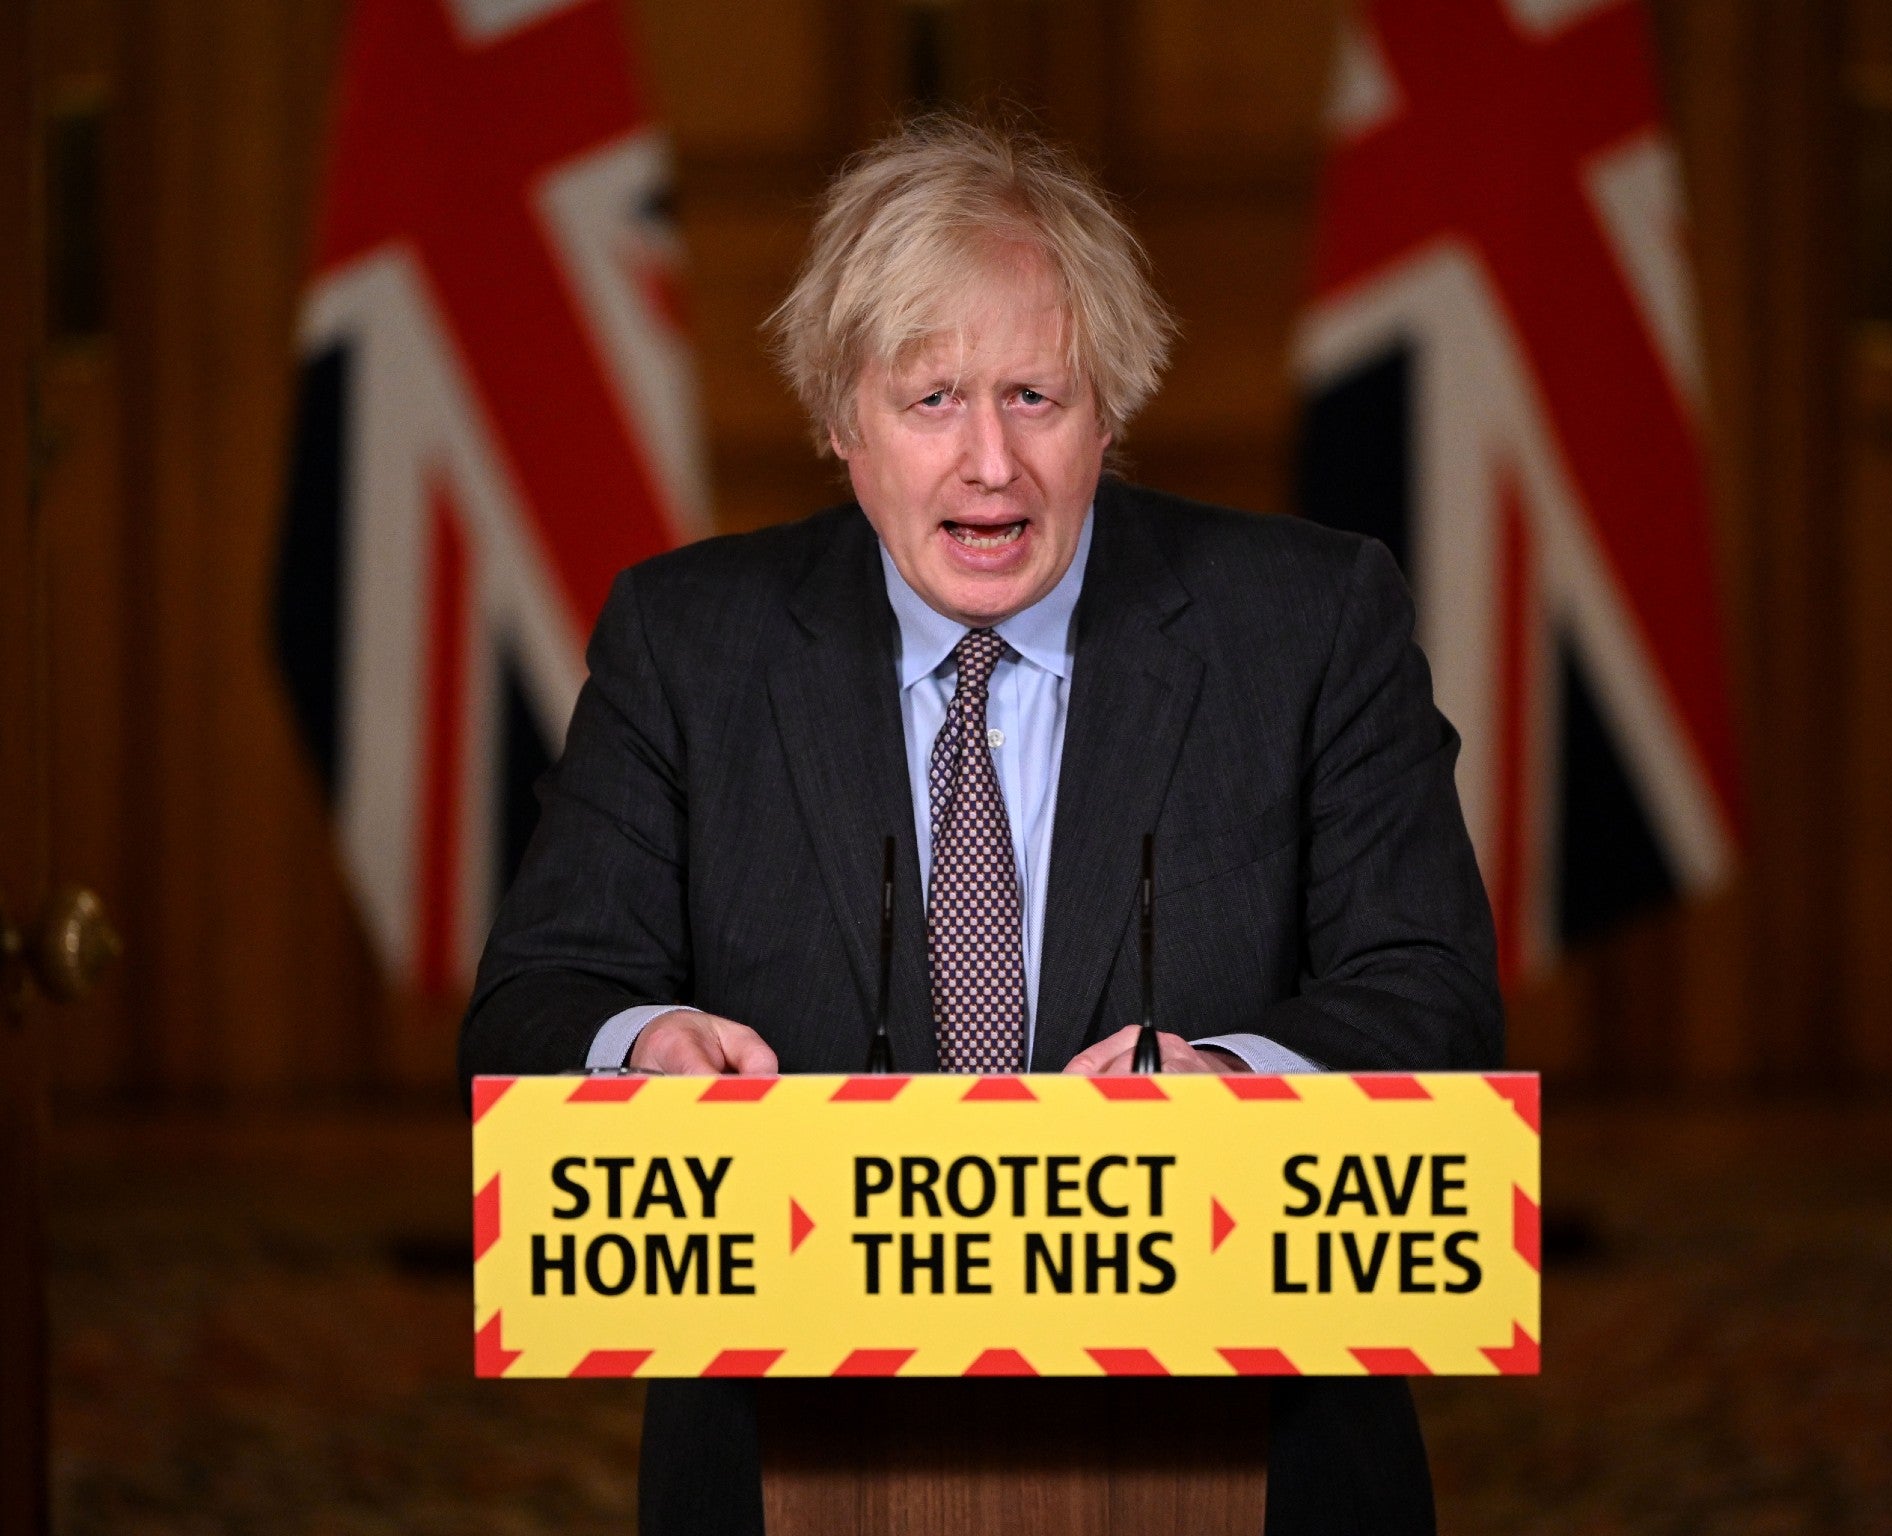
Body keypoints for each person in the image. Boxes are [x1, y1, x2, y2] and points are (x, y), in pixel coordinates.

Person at [461, 115, 1502, 1536]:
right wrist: (642, 1047)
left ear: (1110, 410)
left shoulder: (1312, 624)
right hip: (789, 1466)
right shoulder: (688, 646)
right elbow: (532, 1001)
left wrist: (1228, 1082)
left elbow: (1437, 1001)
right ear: (840, 418)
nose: (990, 467)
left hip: (1251, 1456)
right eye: (932, 399)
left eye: (1036, 396)